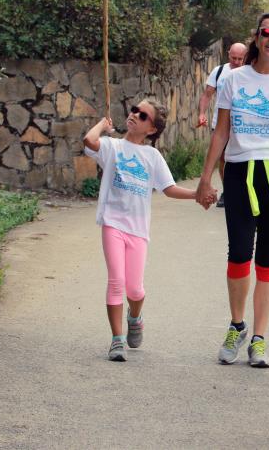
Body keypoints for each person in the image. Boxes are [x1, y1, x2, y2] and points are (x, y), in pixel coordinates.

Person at [196, 13, 269, 368]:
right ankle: (237, 325)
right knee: (239, 253)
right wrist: (205, 179)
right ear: (257, 38)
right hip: (240, 171)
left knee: (267, 258)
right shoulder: (234, 79)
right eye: (267, 33)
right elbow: (221, 132)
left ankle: (259, 339)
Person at [83, 100, 201, 362]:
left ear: (152, 129)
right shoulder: (113, 147)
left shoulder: (152, 157)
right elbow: (89, 141)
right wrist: (102, 126)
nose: (134, 114)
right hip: (113, 223)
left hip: (137, 230)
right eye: (135, 109)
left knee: (134, 289)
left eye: (143, 115)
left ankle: (135, 317)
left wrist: (196, 194)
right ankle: (117, 340)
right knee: (116, 281)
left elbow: (168, 188)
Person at [198, 42, 248, 207]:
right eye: (234, 58)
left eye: (240, 59)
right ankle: (228, 190)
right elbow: (207, 95)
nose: (237, 62)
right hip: (220, 123)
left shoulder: (250, 73)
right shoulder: (219, 71)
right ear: (228, 55)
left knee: (243, 159)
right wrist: (201, 113)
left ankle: (243, 191)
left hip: (243, 125)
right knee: (223, 159)